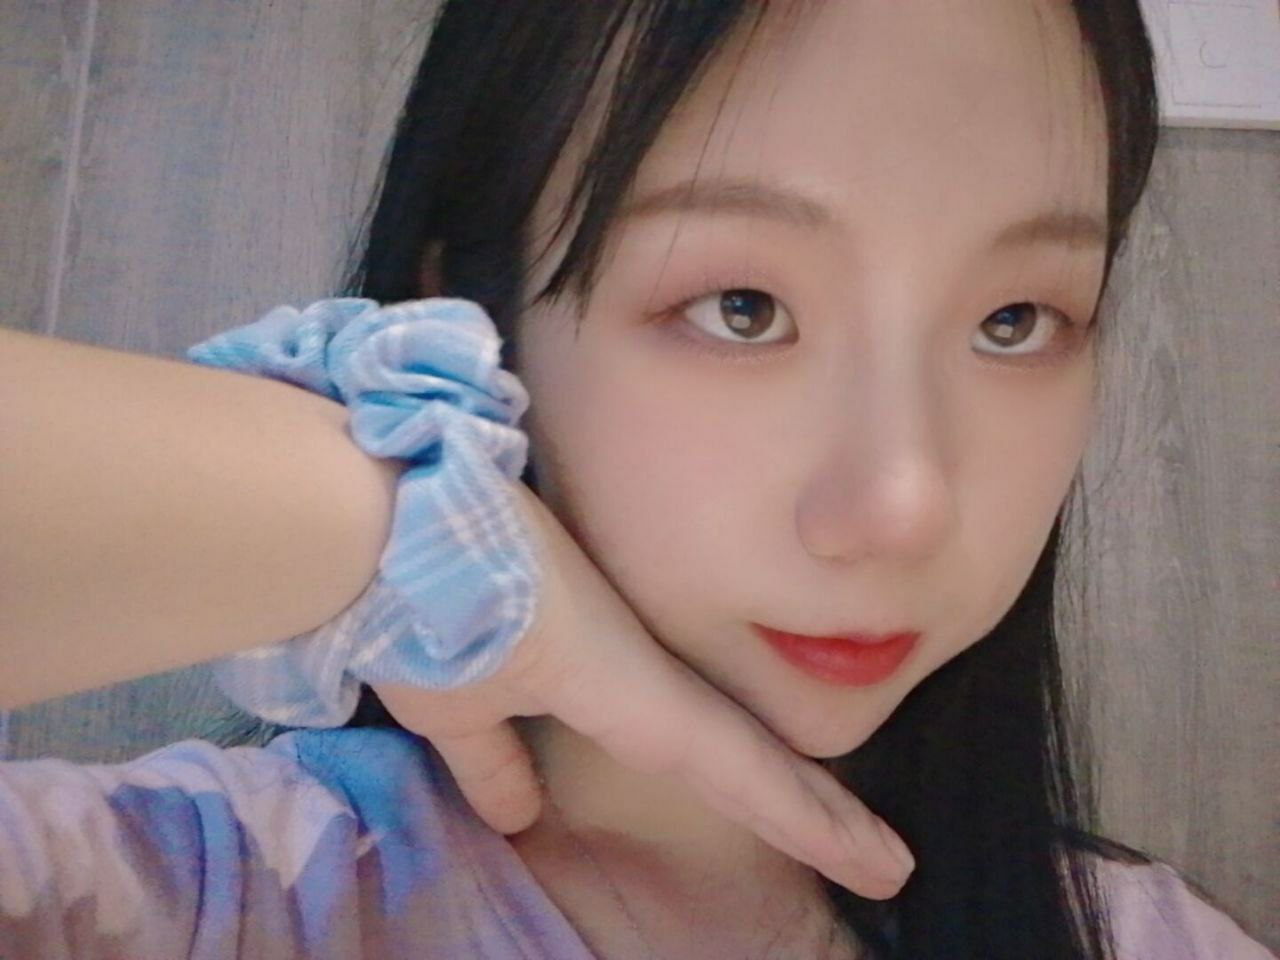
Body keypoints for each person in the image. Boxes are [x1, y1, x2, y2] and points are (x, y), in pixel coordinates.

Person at [0, 0, 1273, 958]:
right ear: (472, 311)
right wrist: (388, 514)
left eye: (1012, 321)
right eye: (741, 307)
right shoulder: (178, 896)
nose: (901, 507)